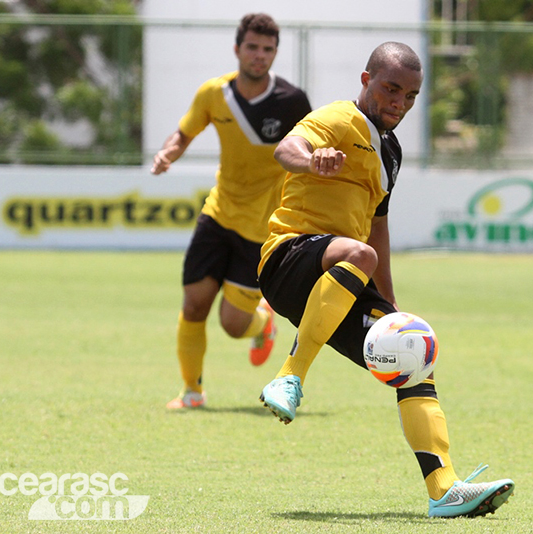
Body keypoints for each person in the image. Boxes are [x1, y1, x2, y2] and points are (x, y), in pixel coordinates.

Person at [256, 41, 514, 518]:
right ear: (366, 80)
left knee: (415, 355)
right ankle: (290, 377)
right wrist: (313, 161)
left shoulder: (390, 152)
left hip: (345, 276)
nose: (399, 102)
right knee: (358, 252)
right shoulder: (337, 119)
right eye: (391, 89)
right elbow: (286, 149)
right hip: (288, 258)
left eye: (411, 95)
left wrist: (390, 306)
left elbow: (379, 225)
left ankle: (444, 489)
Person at [151, 13, 312, 410]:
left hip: (261, 228)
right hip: (218, 214)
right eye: (253, 47)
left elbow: (310, 144)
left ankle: (263, 323)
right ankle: (192, 392)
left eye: (268, 49)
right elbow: (185, 131)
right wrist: (168, 153)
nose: (260, 56)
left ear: (275, 53)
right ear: (237, 49)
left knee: (232, 325)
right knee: (193, 304)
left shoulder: (292, 101)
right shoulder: (214, 93)